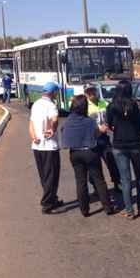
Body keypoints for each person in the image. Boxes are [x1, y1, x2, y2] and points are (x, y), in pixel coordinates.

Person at [61, 95, 115, 217]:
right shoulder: (89, 121)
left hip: (75, 153)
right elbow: (95, 135)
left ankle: (84, 210)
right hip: (90, 152)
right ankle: (108, 207)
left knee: (80, 182)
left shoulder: (68, 121)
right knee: (99, 180)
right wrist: (101, 130)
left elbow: (63, 132)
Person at [106, 80, 140, 219]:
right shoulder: (136, 105)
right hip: (136, 143)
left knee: (125, 179)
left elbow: (109, 125)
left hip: (119, 145)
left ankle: (129, 211)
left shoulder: (111, 106)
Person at [29, 82, 63, 214]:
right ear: (53, 92)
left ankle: (52, 199)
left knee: (44, 175)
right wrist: (52, 129)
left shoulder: (36, 104)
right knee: (52, 176)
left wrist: (33, 137)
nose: (57, 94)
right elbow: (54, 119)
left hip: (37, 146)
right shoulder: (51, 105)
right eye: (56, 92)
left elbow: (31, 124)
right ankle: (47, 204)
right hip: (49, 147)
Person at [84, 86, 121, 193]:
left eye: (93, 92)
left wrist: (110, 124)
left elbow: (109, 117)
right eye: (89, 93)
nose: (92, 95)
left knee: (111, 161)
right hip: (92, 139)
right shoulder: (85, 106)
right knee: (94, 165)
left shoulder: (102, 103)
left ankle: (117, 183)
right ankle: (96, 187)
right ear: (86, 94)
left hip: (104, 138)